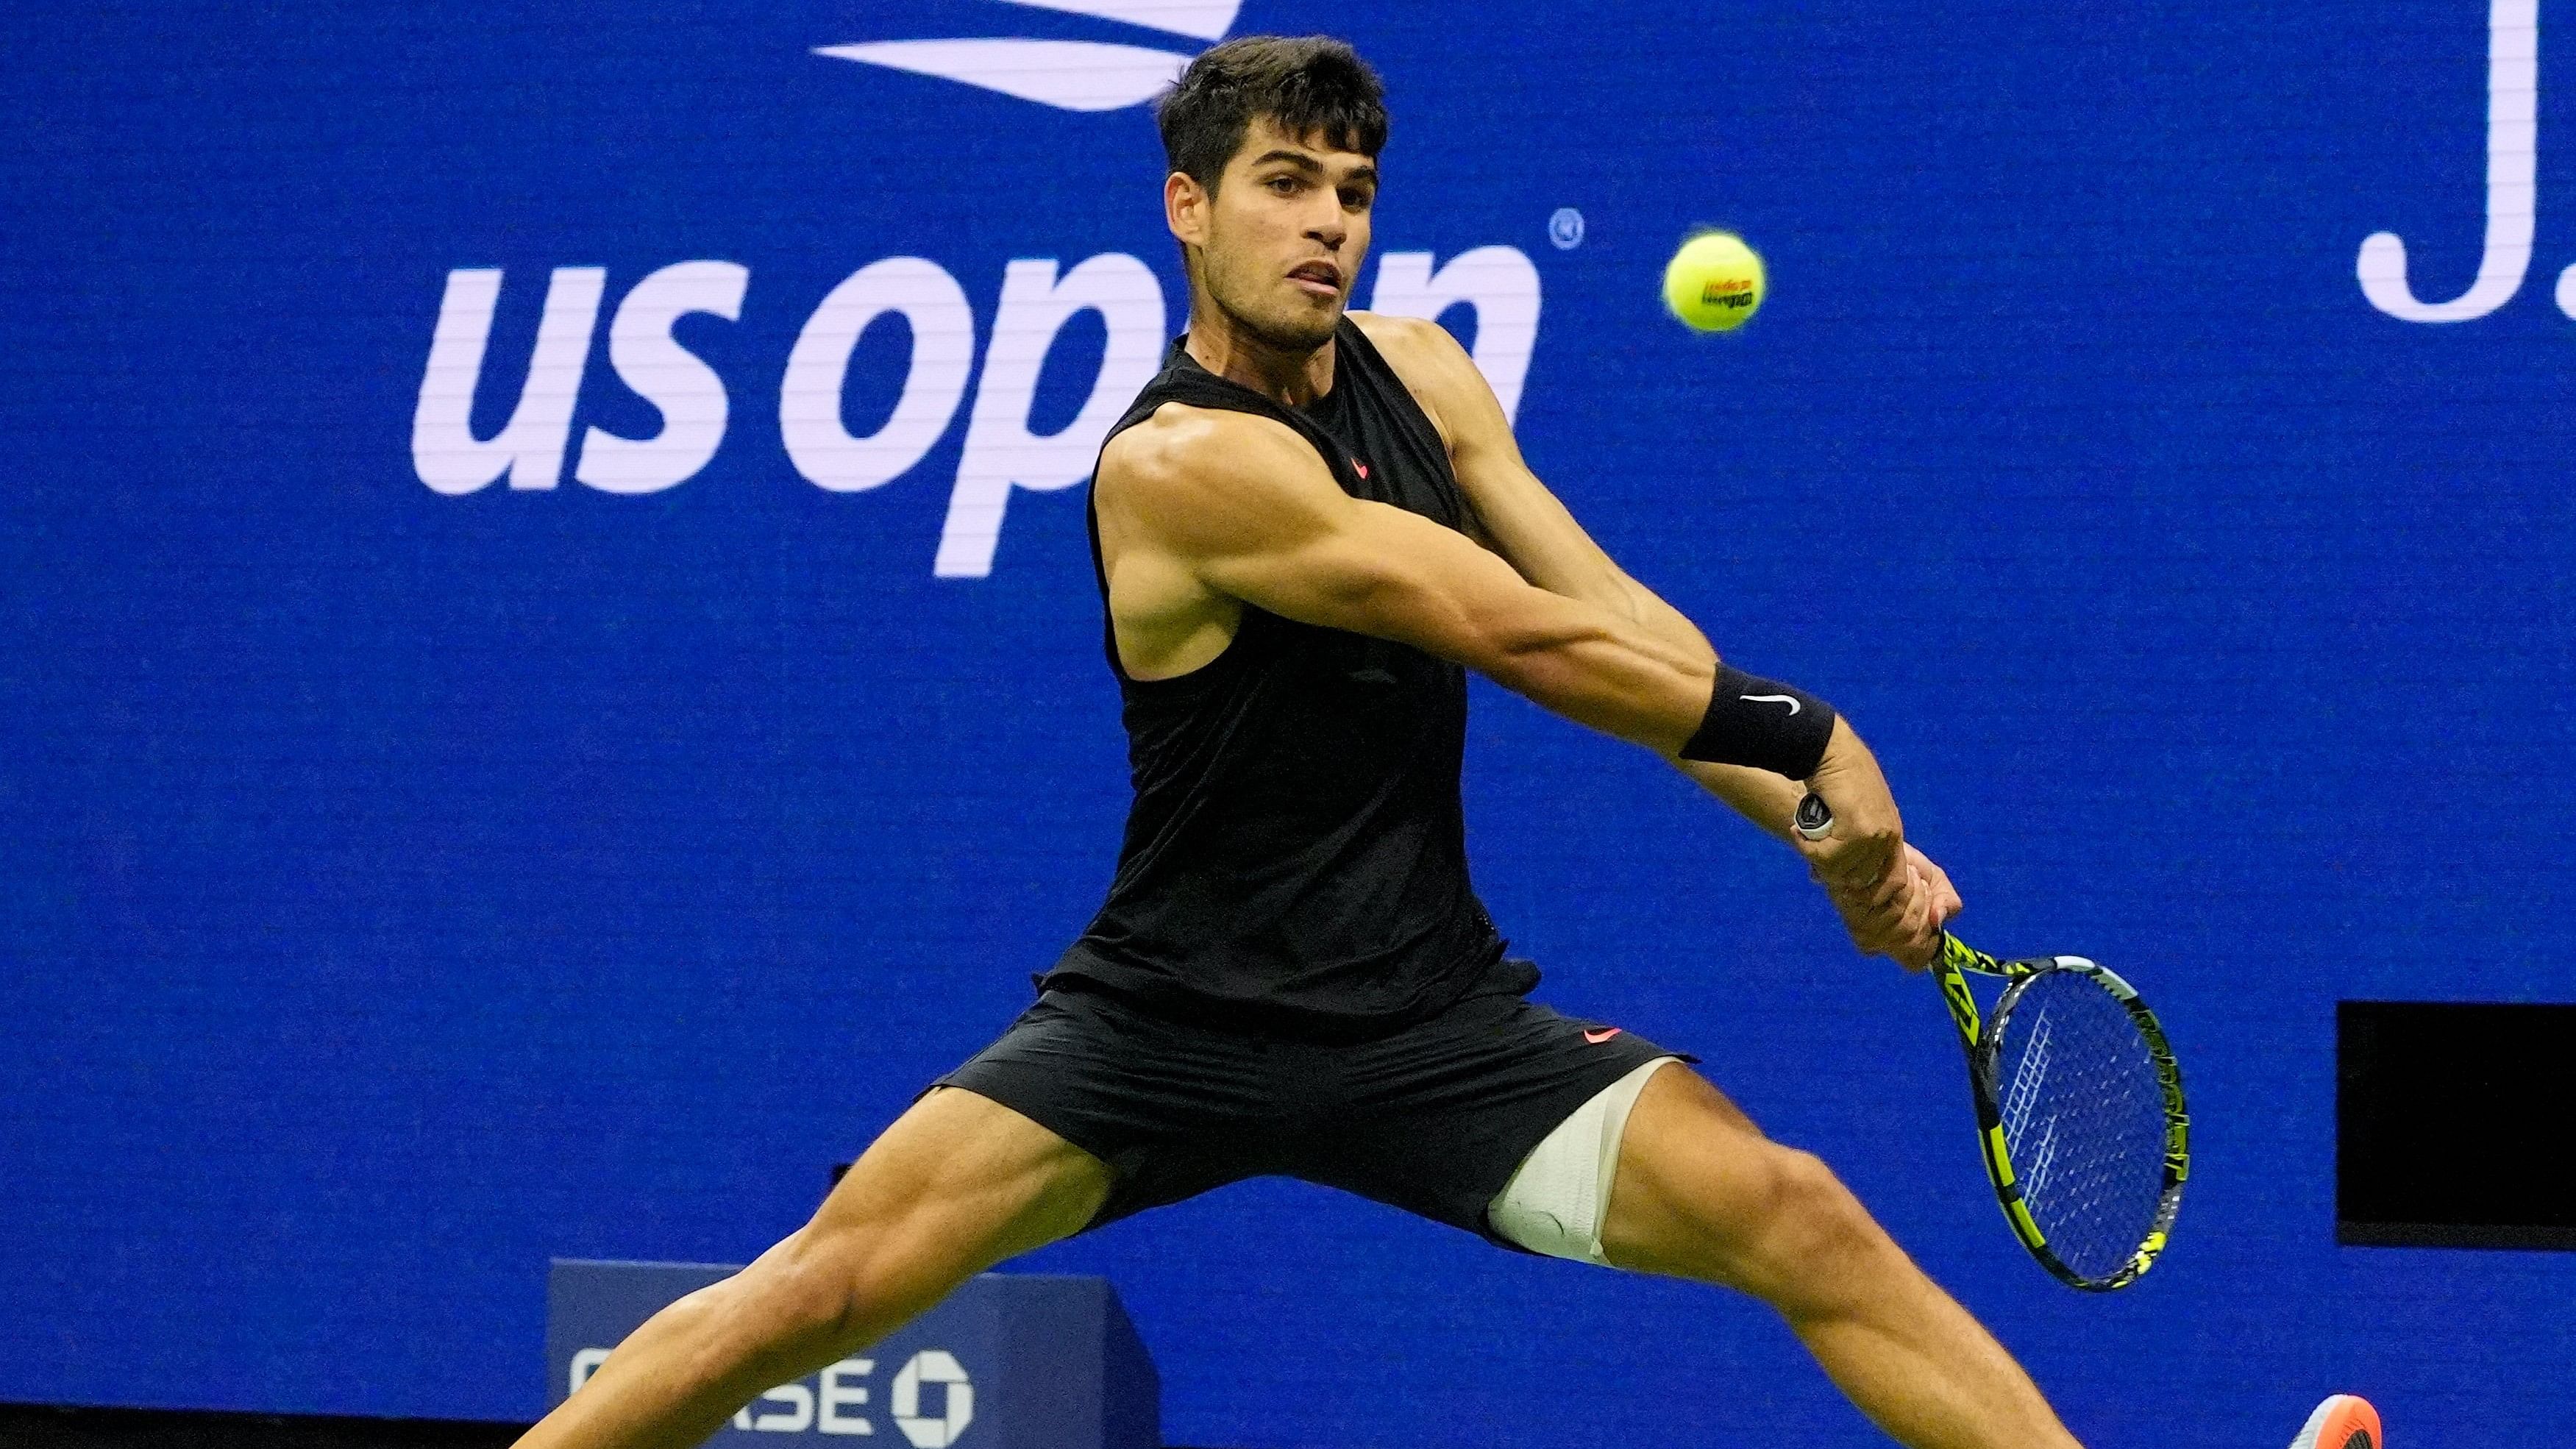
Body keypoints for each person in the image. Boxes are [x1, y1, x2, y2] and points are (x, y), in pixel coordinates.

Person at [519, 34, 2152, 1449]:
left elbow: (1626, 634)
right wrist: (1812, 736)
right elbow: (1510, 634)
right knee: (816, 1287)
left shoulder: (1425, 377)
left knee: (1794, 1211)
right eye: (1283, 183)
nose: (1324, 225)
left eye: (1352, 192)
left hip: (1427, 1024)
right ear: (1188, 207)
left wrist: (1816, 831)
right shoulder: (1174, 469)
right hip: (1160, 1023)